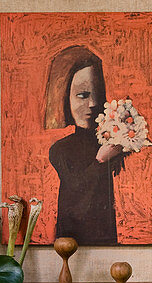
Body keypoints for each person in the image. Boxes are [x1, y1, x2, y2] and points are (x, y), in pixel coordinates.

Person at [45, 47, 124, 245]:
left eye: (98, 94)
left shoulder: (110, 140)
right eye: (83, 95)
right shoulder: (60, 150)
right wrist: (100, 160)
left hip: (107, 243)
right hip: (71, 246)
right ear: (64, 96)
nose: (93, 103)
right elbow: (75, 195)